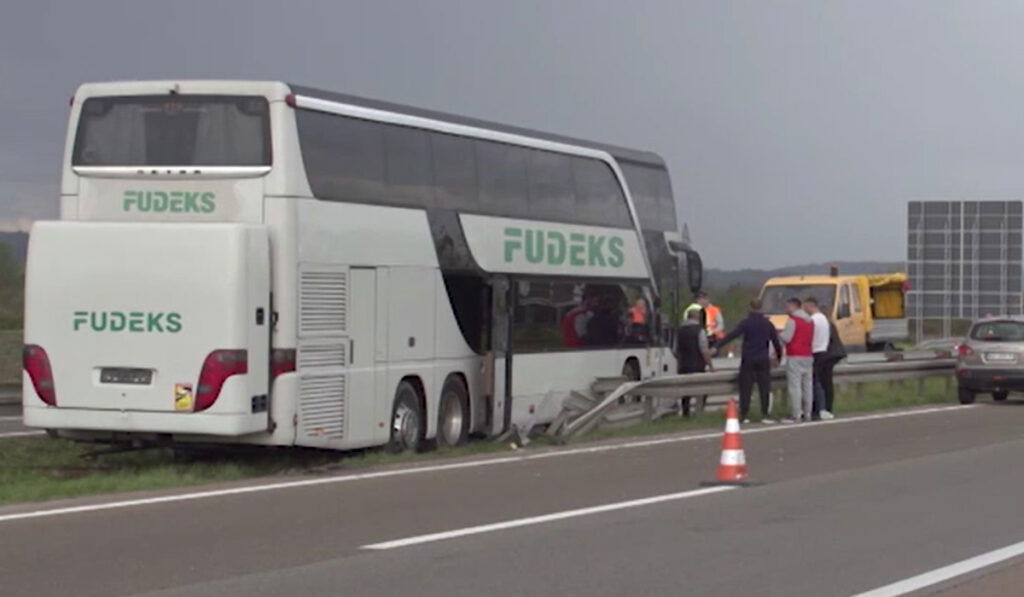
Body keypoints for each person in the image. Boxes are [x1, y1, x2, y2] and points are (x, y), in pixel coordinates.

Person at [718, 299, 783, 424]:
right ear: (761, 308)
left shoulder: (746, 323)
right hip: (763, 359)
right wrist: (779, 357)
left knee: (746, 388)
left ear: (750, 308)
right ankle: (765, 413)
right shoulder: (767, 324)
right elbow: (776, 342)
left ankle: (745, 414)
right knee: (764, 387)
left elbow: (732, 335)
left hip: (748, 359)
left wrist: (717, 346)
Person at [780, 297, 814, 423]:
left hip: (795, 355)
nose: (787, 309)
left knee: (795, 386)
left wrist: (780, 334)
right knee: (807, 386)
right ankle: (808, 412)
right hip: (808, 355)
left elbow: (787, 338)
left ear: (794, 306)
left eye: (788, 306)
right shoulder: (810, 321)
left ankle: (796, 413)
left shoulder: (793, 321)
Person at [676, 309, 714, 416]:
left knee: (685, 391)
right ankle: (699, 411)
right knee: (702, 389)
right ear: (696, 317)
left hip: (683, 364)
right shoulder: (699, 330)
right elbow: (704, 350)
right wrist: (710, 365)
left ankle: (685, 413)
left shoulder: (680, 330)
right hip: (697, 364)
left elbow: (677, 348)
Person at [804, 297, 835, 421]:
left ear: (811, 306)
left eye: (805, 307)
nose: (804, 309)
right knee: (821, 381)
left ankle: (817, 408)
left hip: (815, 352)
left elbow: (809, 336)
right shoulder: (824, 319)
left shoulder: (813, 320)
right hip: (824, 350)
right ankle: (822, 408)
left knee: (814, 382)